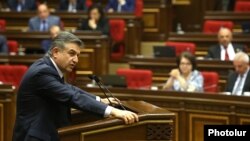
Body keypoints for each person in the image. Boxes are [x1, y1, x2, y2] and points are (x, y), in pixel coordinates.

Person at [12, 31, 138, 141]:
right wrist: (113, 111)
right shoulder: (42, 72)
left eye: (77, 55)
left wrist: (99, 100)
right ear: (56, 52)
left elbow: (69, 89)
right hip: (34, 137)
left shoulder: (48, 67)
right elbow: (72, 96)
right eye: (71, 53)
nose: (76, 60)